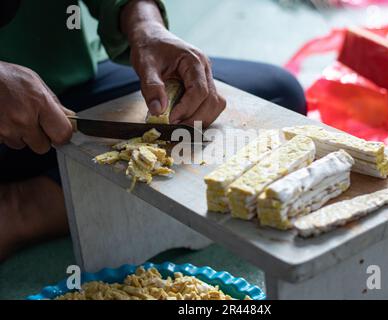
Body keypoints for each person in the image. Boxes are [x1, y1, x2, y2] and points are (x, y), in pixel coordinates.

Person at [0, 0, 306, 261]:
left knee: (277, 95)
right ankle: (24, 209)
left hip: (71, 82)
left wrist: (145, 24)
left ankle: (35, 201)